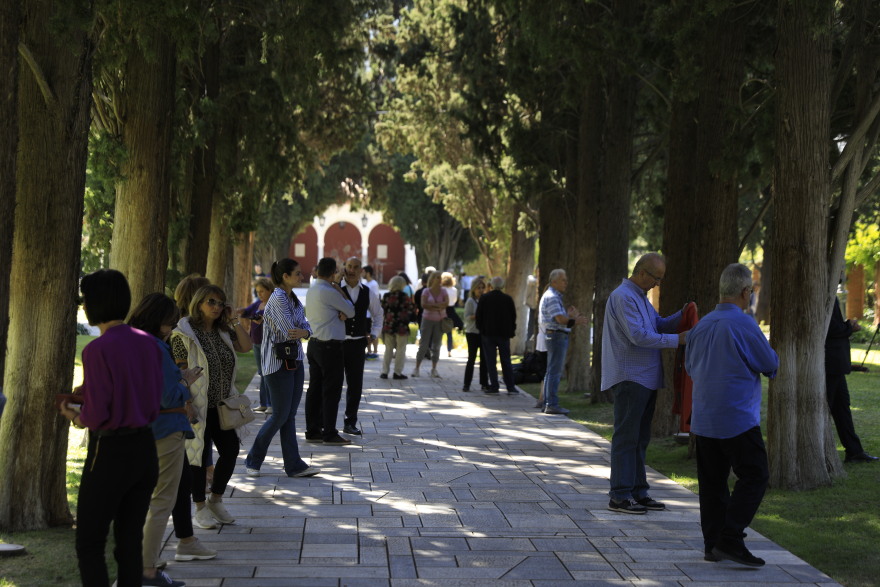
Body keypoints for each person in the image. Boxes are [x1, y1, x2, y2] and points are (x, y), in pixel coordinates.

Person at [59, 269, 162, 587]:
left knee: (90, 540)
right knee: (129, 541)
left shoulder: (97, 349)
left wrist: (75, 416)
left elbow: (98, 412)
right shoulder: (149, 343)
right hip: (145, 448)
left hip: (110, 451)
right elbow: (149, 397)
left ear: (93, 304)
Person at [686, 263, 779, 566]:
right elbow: (769, 364)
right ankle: (730, 538)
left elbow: (690, 367)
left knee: (712, 483)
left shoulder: (701, 326)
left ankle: (713, 544)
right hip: (736, 417)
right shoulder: (744, 324)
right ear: (745, 292)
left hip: (704, 417)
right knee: (755, 474)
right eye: (751, 292)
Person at [128, 294, 212, 587]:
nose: (172, 327)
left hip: (138, 428)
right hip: (166, 428)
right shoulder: (155, 347)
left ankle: (138, 560)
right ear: (160, 320)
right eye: (170, 322)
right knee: (162, 500)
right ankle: (147, 569)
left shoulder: (129, 341)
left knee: (141, 500)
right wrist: (184, 381)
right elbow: (167, 394)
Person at [602, 253, 686, 514]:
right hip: (630, 377)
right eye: (656, 279)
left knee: (639, 438)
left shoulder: (639, 297)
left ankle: (638, 491)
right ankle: (619, 495)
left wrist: (685, 315)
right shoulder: (623, 296)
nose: (657, 285)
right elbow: (639, 336)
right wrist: (679, 340)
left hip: (645, 377)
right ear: (642, 273)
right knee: (627, 437)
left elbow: (657, 325)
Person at [171, 285, 252, 530]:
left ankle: (215, 499)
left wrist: (234, 319)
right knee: (197, 457)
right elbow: (180, 371)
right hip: (197, 406)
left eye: (220, 303)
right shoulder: (182, 334)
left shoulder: (222, 331)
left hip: (221, 405)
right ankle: (199, 508)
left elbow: (247, 346)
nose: (216, 307)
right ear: (198, 303)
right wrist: (186, 403)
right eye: (211, 302)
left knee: (230, 451)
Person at [245, 259, 320, 477]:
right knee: (279, 414)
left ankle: (294, 465)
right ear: (285, 276)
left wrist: (304, 332)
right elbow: (289, 330)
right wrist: (302, 331)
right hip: (277, 364)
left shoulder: (293, 299)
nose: (301, 276)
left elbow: (305, 326)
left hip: (294, 360)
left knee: (289, 415)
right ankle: (253, 460)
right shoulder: (278, 298)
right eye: (297, 273)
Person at [305, 257, 356, 445]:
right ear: (334, 272)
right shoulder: (329, 291)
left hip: (314, 344)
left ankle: (313, 429)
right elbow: (351, 311)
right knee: (331, 391)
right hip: (330, 346)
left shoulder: (312, 290)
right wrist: (339, 288)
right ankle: (330, 432)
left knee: (315, 389)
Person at [825, 294, 878, 463]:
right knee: (825, 407)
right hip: (830, 363)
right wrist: (849, 327)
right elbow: (830, 328)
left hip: (836, 365)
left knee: (842, 408)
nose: (841, 272)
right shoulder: (824, 294)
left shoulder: (830, 294)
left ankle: (854, 451)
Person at [340, 257, 384, 435]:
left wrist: (374, 334)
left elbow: (378, 314)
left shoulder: (367, 292)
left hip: (358, 343)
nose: (351, 270)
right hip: (337, 342)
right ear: (345, 267)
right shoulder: (335, 289)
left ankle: (350, 422)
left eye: (355, 267)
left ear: (361, 271)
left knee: (355, 385)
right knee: (333, 384)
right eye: (349, 266)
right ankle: (327, 424)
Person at [538, 269, 588, 414]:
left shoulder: (553, 296)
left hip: (554, 335)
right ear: (554, 282)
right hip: (556, 336)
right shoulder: (552, 296)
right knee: (554, 371)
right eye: (563, 280)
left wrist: (569, 316)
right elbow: (559, 319)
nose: (566, 283)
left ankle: (548, 403)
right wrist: (574, 320)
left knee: (551, 371)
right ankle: (551, 404)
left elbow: (559, 317)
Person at [475, 276, 521, 395]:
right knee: (505, 360)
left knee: (491, 361)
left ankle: (494, 385)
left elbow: (479, 316)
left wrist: (481, 329)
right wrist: (511, 329)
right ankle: (510, 386)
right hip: (503, 334)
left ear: (491, 285)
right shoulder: (507, 299)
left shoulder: (485, 298)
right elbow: (513, 316)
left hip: (488, 333)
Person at [238, 277, 274, 413]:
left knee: (268, 373)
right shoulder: (258, 303)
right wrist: (241, 311)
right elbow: (246, 313)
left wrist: (263, 320)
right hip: (257, 343)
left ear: (270, 290)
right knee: (261, 373)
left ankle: (271, 403)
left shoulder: (273, 305)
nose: (260, 294)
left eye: (262, 291)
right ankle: (264, 403)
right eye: (258, 292)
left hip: (268, 343)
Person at [413, 271, 448, 378]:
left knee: (437, 345)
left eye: (440, 277)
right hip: (427, 320)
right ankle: (417, 368)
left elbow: (446, 303)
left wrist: (433, 305)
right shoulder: (426, 291)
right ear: (432, 279)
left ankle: (434, 369)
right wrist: (438, 306)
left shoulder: (443, 291)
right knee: (423, 345)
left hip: (440, 320)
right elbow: (424, 305)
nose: (439, 279)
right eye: (437, 277)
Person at [380, 276, 415, 380]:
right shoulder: (405, 297)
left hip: (389, 325)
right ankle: (397, 372)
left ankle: (384, 372)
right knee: (401, 350)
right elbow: (410, 310)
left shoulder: (386, 296)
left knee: (388, 349)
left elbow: (382, 310)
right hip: (401, 326)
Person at [462, 277, 488, 392]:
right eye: (479, 288)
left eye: (483, 288)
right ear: (474, 289)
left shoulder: (485, 300)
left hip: (482, 332)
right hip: (472, 332)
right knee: (471, 358)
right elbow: (467, 317)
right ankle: (467, 383)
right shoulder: (470, 301)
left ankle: (484, 383)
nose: (481, 290)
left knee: (484, 358)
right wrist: (477, 316)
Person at [441, 272, 463, 357]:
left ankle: (436, 349)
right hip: (451, 310)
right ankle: (449, 350)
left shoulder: (441, 289)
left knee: (439, 331)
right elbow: (454, 300)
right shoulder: (454, 290)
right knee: (449, 332)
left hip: (442, 310)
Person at [362, 265, 381, 358]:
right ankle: (369, 351)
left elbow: (375, 298)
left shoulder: (374, 284)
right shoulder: (366, 284)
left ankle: (375, 351)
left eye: (363, 272)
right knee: (366, 332)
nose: (362, 274)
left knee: (372, 332)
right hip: (366, 313)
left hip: (371, 313)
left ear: (368, 273)